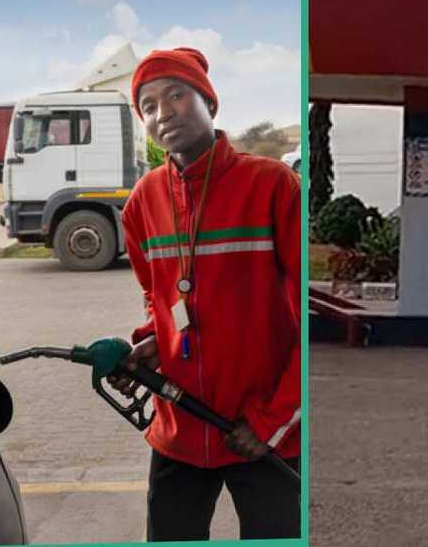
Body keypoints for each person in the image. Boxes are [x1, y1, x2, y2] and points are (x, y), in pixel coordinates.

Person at [106, 47, 301, 541]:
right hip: (181, 430)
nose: (162, 112)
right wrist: (152, 340)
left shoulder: (272, 185)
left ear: (209, 103)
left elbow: (309, 318)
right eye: (147, 105)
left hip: (261, 432)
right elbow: (157, 296)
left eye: (176, 94)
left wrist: (271, 420)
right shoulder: (143, 202)